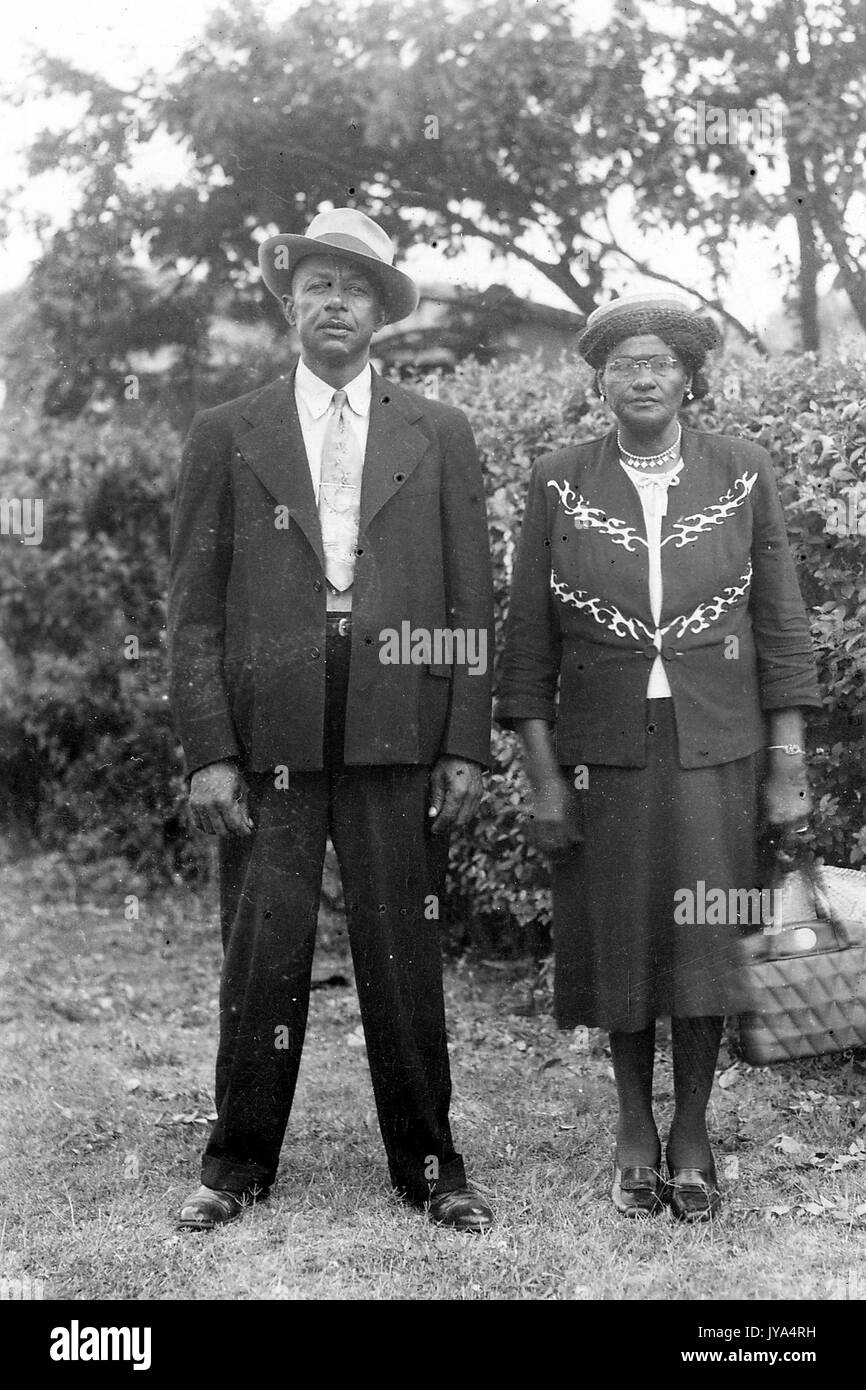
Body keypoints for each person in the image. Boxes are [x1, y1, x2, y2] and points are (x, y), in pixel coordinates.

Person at [168, 208, 495, 1233]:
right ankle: (234, 1163)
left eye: (354, 289)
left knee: (401, 942)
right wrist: (209, 748)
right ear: (291, 303)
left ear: (380, 313)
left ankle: (432, 1166)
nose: (334, 304)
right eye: (317, 285)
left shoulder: (436, 431)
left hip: (397, 710)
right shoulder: (228, 431)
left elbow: (466, 600)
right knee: (265, 941)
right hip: (270, 725)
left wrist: (460, 738)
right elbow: (191, 605)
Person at [496, 292, 819, 1221]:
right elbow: (527, 644)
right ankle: (634, 1125)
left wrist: (788, 764)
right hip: (604, 752)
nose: (642, 378)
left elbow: (783, 625)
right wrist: (546, 779)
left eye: (660, 363)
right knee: (624, 936)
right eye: (624, 364)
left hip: (718, 744)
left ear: (689, 377)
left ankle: (694, 1130)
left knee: (710, 937)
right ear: (600, 380)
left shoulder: (743, 472)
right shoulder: (558, 480)